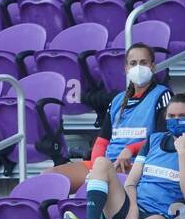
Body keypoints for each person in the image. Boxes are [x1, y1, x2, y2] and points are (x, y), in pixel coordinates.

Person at [64, 92, 185, 219]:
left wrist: (182, 153)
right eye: (171, 116)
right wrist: (133, 208)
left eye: (182, 116)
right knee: (102, 163)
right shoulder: (153, 140)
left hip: (162, 216)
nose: (175, 120)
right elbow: (131, 182)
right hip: (130, 209)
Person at [52, 43, 172, 192]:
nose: (138, 67)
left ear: (153, 67)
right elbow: (102, 141)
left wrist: (130, 149)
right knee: (50, 178)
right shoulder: (117, 100)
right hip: (106, 164)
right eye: (133, 63)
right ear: (126, 69)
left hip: (136, 163)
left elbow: (162, 137)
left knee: (102, 186)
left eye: (144, 62)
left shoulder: (163, 95)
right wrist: (96, 166)